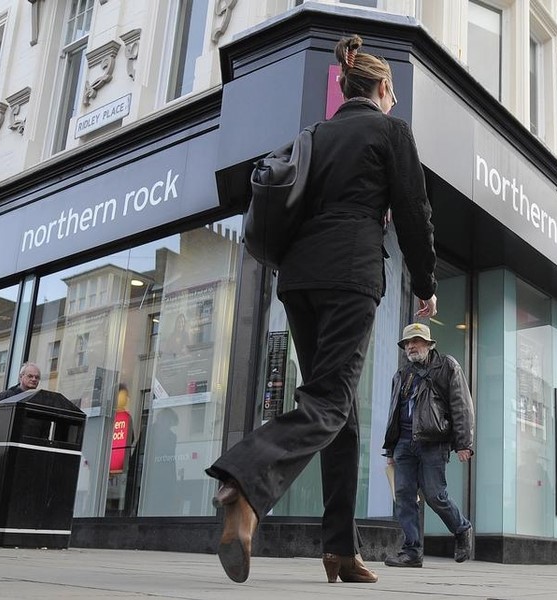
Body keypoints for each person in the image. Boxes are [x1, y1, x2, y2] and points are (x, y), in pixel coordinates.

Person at [205, 34, 437, 584]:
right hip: (350, 276)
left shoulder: (315, 134)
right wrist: (425, 282)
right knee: (329, 403)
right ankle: (244, 480)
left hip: (299, 281)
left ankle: (339, 549)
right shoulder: (390, 131)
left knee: (342, 419)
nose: (394, 102)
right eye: (393, 94)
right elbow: (413, 211)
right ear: (382, 87)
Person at [382, 323, 474, 567]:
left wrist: (464, 442)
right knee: (403, 496)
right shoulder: (401, 374)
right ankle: (411, 552)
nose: (411, 346)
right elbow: (394, 412)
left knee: (435, 496)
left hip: (434, 442)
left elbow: (461, 405)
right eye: (407, 343)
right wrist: (390, 449)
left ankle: (462, 528)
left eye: (416, 341)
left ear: (429, 344)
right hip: (403, 444)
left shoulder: (447, 366)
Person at [0, 361, 41, 436]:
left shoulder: (41, 401)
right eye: (30, 376)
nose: (34, 379)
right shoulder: (6, 396)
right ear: (21, 377)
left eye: (37, 377)